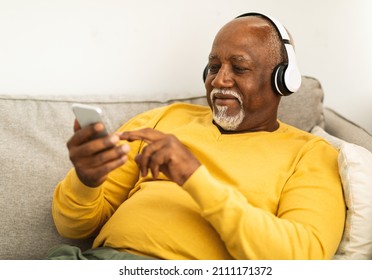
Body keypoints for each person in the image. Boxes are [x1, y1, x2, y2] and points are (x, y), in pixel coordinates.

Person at [49, 12, 345, 260]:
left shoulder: (310, 154)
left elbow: (302, 258)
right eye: (214, 67)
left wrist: (194, 176)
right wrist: (86, 181)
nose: (219, 79)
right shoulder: (163, 119)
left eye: (239, 68)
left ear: (282, 79)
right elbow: (72, 227)